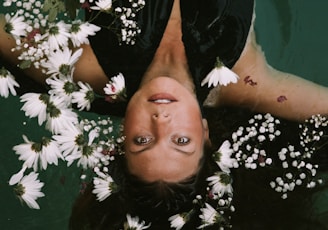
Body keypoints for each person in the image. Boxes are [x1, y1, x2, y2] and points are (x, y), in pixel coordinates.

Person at [1, 0, 328, 229]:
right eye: (181, 141)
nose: (161, 122)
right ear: (205, 133)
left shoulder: (75, 69)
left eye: (142, 140)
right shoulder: (247, 82)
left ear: (121, 136)